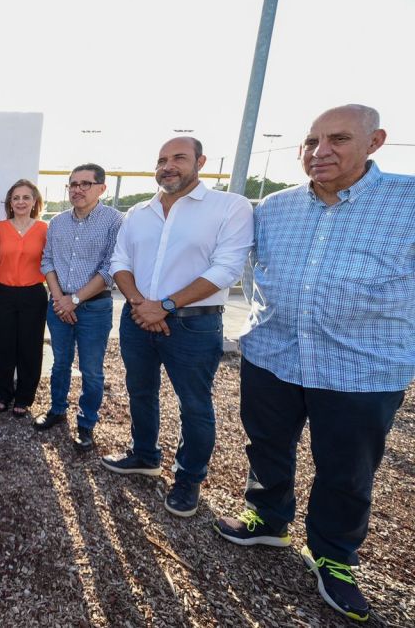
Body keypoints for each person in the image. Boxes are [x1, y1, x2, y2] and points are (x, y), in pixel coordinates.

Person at [215, 105, 414, 622]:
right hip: (274, 354)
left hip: (361, 370)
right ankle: (267, 517)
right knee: (267, 444)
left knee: (347, 470)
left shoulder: (408, 202)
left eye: (338, 139)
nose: (319, 151)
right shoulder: (275, 207)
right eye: (311, 141)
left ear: (375, 142)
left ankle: (333, 555)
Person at [102, 137, 253, 517]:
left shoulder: (228, 207)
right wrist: (140, 304)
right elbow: (120, 260)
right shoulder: (139, 212)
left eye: (179, 158)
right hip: (137, 319)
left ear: (200, 161)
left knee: (195, 406)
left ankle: (188, 480)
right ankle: (144, 454)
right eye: (161, 160)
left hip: (193, 326)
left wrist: (165, 306)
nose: (168, 166)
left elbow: (225, 269)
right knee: (140, 392)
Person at [34, 164, 122, 452]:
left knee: (91, 369)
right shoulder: (57, 222)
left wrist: (74, 300)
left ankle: (86, 424)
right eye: (73, 184)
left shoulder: (114, 221)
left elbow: (111, 268)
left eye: (86, 184)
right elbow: (47, 261)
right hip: (59, 305)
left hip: (93, 309)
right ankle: (57, 410)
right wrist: (60, 298)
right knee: (60, 363)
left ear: (101, 188)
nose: (78, 189)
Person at [0, 179, 47, 418]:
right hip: (3, 293)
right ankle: (4, 393)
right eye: (16, 198)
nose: (21, 202)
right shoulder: (0, 228)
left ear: (34, 201)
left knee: (30, 348)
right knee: (4, 346)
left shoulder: (45, 229)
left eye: (26, 197)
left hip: (33, 294)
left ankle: (24, 396)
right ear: (10, 203)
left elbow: (52, 262)